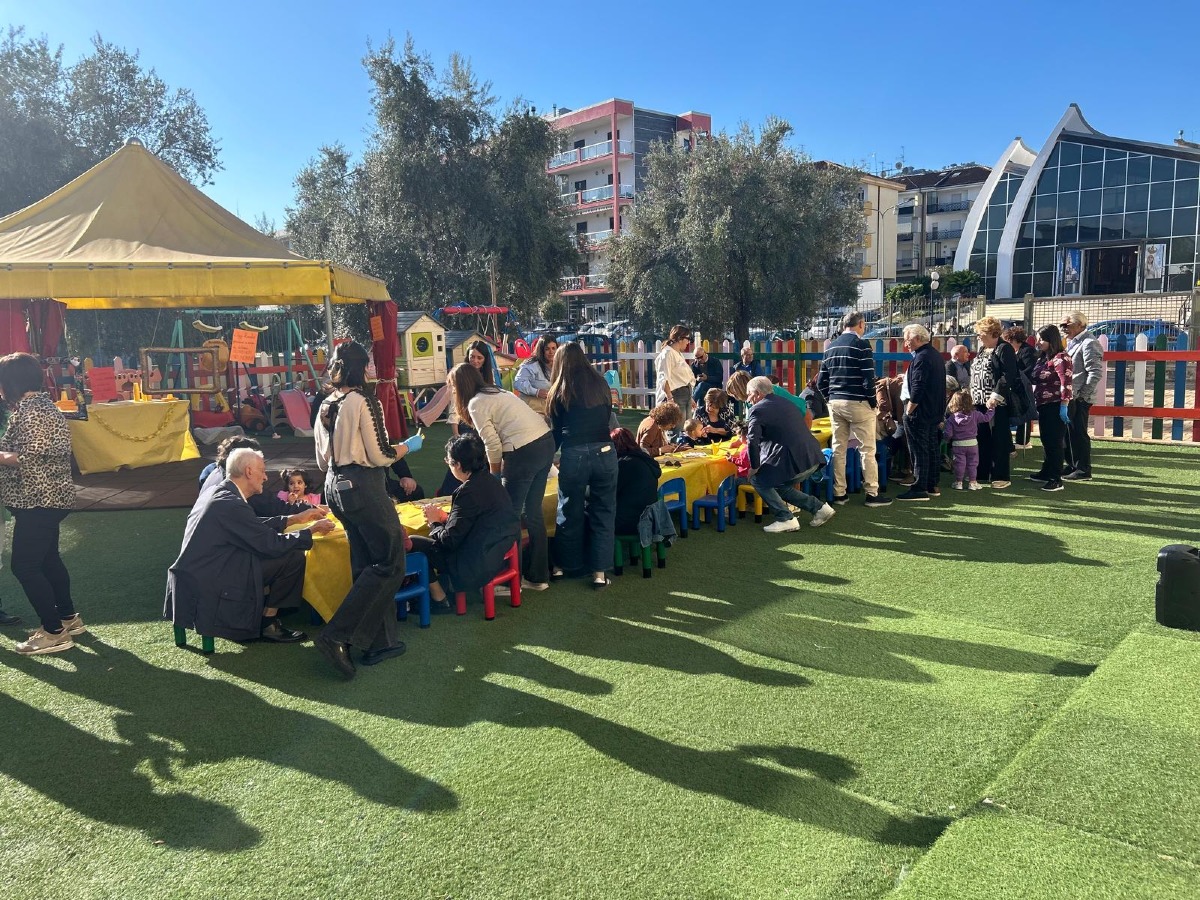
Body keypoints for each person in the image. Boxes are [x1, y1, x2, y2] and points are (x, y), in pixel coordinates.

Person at [313, 341, 417, 678]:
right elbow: (380, 455)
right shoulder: (363, 400)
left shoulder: (325, 402)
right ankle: (336, 635)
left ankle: (380, 642)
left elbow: (321, 458)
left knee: (366, 564)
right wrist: (408, 446)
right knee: (389, 561)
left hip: (333, 485)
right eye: (369, 364)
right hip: (363, 485)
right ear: (362, 367)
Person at [165, 448, 333, 647]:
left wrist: (292, 519)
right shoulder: (231, 503)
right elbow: (271, 545)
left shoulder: (220, 493)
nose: (265, 477)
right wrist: (311, 531)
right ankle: (268, 623)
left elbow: (249, 526)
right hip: (216, 578)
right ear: (248, 471)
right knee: (294, 558)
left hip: (201, 570)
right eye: (262, 470)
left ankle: (266, 613)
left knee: (284, 554)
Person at [0, 352, 83, 653]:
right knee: (47, 559)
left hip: (38, 499)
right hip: (48, 498)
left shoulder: (31, 411)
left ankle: (53, 631)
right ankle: (68, 617)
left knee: (24, 565)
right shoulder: (42, 406)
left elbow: (27, 458)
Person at [451, 362, 555, 587]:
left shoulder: (476, 403)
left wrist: (494, 476)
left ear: (460, 387)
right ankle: (538, 577)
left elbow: (492, 444)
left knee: (509, 517)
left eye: (453, 388)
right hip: (546, 443)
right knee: (533, 512)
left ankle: (511, 580)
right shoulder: (498, 391)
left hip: (522, 452)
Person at [412, 434, 520, 608]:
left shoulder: (467, 491)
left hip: (473, 561)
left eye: (448, 461)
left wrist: (434, 522)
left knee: (412, 544)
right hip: (497, 548)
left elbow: (449, 541)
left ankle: (439, 598)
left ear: (458, 464)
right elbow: (478, 519)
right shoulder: (491, 481)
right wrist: (447, 518)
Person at [546, 343, 618, 588]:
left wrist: (546, 458)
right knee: (604, 511)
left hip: (573, 453)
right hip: (605, 450)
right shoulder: (600, 384)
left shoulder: (558, 390)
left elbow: (556, 432)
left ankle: (565, 566)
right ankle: (599, 573)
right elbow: (607, 417)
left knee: (568, 510)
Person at [817, 311, 891, 508]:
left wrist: (829, 399)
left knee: (838, 448)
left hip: (835, 402)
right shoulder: (862, 345)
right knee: (867, 449)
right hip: (858, 402)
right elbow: (868, 378)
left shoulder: (831, 347)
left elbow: (821, 381)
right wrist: (872, 402)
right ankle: (872, 493)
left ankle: (839, 493)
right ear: (861, 324)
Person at [745, 375, 835, 533]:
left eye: (749, 394)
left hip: (794, 460)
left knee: (757, 479)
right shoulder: (786, 402)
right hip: (813, 456)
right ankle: (820, 508)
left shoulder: (757, 410)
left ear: (757, 393)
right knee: (780, 485)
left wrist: (754, 466)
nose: (748, 399)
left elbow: (752, 440)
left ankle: (785, 518)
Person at [970, 316, 1029, 489]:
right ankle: (983, 473)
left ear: (991, 332)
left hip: (996, 402)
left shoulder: (1004, 349)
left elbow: (1008, 375)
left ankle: (1001, 475)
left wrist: (995, 396)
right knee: (982, 437)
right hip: (978, 401)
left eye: (980, 333)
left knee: (999, 438)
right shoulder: (982, 349)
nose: (978, 337)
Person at [440, 340, 497, 496]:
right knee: (461, 463)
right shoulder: (460, 376)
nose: (475, 361)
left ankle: (480, 494)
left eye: (479, 358)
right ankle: (449, 494)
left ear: (485, 360)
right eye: (472, 357)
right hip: (467, 426)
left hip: (482, 426)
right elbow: (454, 408)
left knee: (480, 463)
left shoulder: (487, 379)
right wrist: (455, 433)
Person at [897, 325, 944, 501]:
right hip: (933, 411)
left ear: (917, 338)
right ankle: (932, 484)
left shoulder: (922, 358)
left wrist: (909, 410)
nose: (905, 343)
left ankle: (919, 487)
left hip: (920, 412)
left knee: (918, 450)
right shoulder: (934, 355)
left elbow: (918, 387)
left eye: (907, 339)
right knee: (931, 447)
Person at [1028, 325, 1073, 493]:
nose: (1038, 342)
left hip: (1056, 405)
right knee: (1046, 440)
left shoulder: (1062, 358)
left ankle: (1056, 478)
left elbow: (1066, 383)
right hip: (1043, 405)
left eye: (1042, 339)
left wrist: (1064, 405)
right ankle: (1046, 471)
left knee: (1054, 442)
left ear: (1051, 340)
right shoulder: (1043, 358)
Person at [1060, 311, 1103, 481]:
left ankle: (1083, 469)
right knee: (1069, 432)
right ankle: (1072, 465)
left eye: (1067, 325)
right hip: (1072, 395)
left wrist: (1083, 396)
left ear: (1080, 325)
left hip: (1080, 397)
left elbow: (1095, 372)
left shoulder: (1089, 343)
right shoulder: (1072, 342)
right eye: (1062, 325)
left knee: (1078, 433)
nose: (1063, 329)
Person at [611, 427, 662, 536]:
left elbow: (608, 491)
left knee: (589, 515)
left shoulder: (624, 464)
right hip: (649, 517)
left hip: (630, 521)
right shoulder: (646, 460)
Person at [944, 390, 994, 490]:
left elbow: (948, 434)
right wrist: (991, 409)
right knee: (973, 464)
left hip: (958, 444)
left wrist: (946, 438)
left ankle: (958, 482)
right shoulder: (975, 414)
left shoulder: (952, 418)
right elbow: (986, 418)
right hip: (973, 444)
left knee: (959, 464)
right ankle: (972, 482)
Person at [1002, 327, 1037, 448]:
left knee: (1025, 412)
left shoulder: (1027, 351)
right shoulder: (1017, 351)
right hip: (1018, 386)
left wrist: (1016, 377)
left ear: (1014, 340)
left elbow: (1030, 369)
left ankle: (1023, 441)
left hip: (1025, 386)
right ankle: (1020, 440)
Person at [654, 326, 696, 420]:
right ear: (680, 338)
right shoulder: (667, 353)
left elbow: (680, 378)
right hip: (675, 396)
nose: (688, 342)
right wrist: (669, 398)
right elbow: (663, 378)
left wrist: (690, 398)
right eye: (688, 339)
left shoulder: (677, 353)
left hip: (685, 394)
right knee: (677, 429)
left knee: (687, 429)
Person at [513, 335, 558, 415]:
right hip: (532, 411)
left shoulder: (560, 365)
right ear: (541, 350)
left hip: (551, 410)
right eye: (547, 349)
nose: (551, 352)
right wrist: (536, 392)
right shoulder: (531, 365)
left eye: (553, 348)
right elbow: (518, 382)